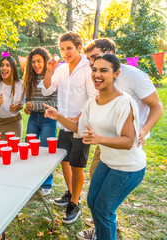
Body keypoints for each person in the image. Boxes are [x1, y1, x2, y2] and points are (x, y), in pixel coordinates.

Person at [44, 54, 146, 240]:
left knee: (104, 209)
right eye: (94, 69)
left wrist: (99, 138)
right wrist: (57, 116)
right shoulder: (92, 102)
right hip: (107, 162)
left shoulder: (124, 103)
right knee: (92, 201)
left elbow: (129, 140)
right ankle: (100, 234)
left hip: (128, 168)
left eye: (104, 70)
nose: (97, 74)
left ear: (116, 74)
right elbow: (78, 128)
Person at [79, 38, 163, 231]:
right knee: (96, 196)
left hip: (126, 143)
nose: (91, 64)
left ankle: (104, 225)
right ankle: (102, 226)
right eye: (90, 60)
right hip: (104, 140)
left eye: (94, 57)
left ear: (110, 52)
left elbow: (157, 107)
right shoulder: (98, 76)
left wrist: (143, 130)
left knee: (105, 204)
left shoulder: (134, 76)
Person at [42, 32, 98, 223]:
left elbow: (93, 98)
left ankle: (75, 203)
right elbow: (47, 89)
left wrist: (80, 117)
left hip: (81, 126)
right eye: (62, 49)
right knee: (64, 161)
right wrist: (49, 70)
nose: (65, 52)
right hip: (63, 123)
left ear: (79, 47)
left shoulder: (87, 69)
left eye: (69, 48)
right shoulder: (61, 69)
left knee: (76, 165)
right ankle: (71, 193)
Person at [23, 47, 58, 195]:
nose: (36, 65)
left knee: (45, 152)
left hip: (48, 119)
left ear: (45, 61)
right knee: (29, 149)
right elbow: (28, 98)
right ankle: (31, 180)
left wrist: (34, 105)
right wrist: (27, 106)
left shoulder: (53, 77)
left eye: (39, 61)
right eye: (33, 62)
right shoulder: (30, 78)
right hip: (33, 118)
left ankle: (46, 183)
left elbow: (55, 101)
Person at [0, 56, 25, 139]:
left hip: (15, 121)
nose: (4, 68)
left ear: (13, 68)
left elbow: (21, 105)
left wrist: (16, 108)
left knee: (14, 150)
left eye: (8, 65)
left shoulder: (20, 85)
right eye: (2, 65)